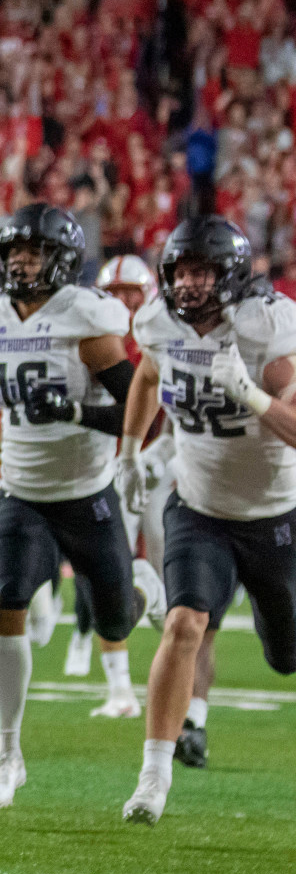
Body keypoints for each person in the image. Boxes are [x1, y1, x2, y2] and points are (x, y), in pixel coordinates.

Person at [0, 203, 165, 809]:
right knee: (5, 604)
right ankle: (8, 753)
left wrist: (75, 412)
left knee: (115, 621)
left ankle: (143, 587)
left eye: (36, 252)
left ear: (64, 261)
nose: (23, 262)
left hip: (86, 492)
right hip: (22, 492)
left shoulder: (86, 320)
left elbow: (143, 416)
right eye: (16, 252)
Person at [119, 217, 296, 825]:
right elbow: (146, 373)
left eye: (202, 272)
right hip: (198, 508)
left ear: (232, 275)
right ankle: (154, 773)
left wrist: (249, 393)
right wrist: (129, 450)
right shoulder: (159, 322)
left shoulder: (269, 329)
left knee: (287, 655)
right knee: (185, 623)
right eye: (180, 272)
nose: (189, 284)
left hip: (275, 515)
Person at [60, 254, 168, 718]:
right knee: (104, 570)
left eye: (133, 291)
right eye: (117, 291)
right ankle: (119, 686)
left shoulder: (162, 331)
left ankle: (174, 634)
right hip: (108, 463)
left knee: (166, 554)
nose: (125, 300)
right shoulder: (94, 333)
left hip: (163, 459)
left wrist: (158, 459)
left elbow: (164, 413)